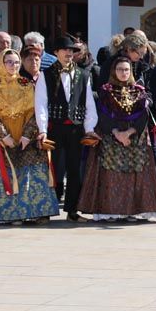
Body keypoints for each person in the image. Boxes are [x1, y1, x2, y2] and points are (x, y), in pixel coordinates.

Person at [77, 56, 156, 221]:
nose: (123, 73)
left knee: (135, 175)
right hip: (111, 137)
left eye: (126, 70)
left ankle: (134, 211)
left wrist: (129, 132)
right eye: (120, 69)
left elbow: (143, 115)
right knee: (112, 175)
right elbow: (102, 115)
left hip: (135, 139)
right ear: (113, 72)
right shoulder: (105, 91)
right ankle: (111, 211)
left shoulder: (139, 91)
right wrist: (116, 132)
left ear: (131, 72)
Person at [0, 48, 59, 223]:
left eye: (16, 62)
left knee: (33, 165)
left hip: (25, 137)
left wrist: (26, 136)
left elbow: (35, 112)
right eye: (9, 62)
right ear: (1, 63)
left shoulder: (27, 84)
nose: (13, 65)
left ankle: (31, 212)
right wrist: (4, 136)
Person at [34, 35, 97, 222]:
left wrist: (90, 128)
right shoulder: (45, 75)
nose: (70, 53)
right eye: (66, 50)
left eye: (72, 51)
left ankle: (72, 210)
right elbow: (41, 104)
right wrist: (43, 129)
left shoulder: (83, 74)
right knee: (53, 170)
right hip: (55, 128)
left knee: (75, 170)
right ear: (56, 52)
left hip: (76, 129)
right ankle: (47, 210)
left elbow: (89, 103)